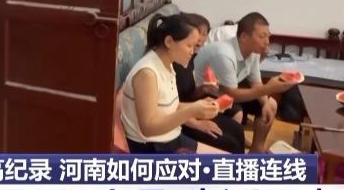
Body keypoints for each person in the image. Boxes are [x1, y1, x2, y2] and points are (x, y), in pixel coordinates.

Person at [193, 12, 297, 153]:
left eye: (268, 36)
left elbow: (256, 83)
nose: (267, 42)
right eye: (262, 36)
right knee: (238, 119)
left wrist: (266, 103)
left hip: (226, 90)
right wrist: (269, 88)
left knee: (270, 105)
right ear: (243, 37)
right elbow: (232, 95)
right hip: (202, 94)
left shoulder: (253, 53)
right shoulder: (224, 54)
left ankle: (257, 150)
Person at [120, 13, 222, 153]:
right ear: (169, 42)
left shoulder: (167, 64)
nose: (192, 52)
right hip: (153, 147)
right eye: (189, 45)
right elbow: (148, 128)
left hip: (171, 137)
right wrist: (191, 111)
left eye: (195, 46)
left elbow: (170, 106)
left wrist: (199, 105)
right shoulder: (147, 74)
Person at [175, 13, 246, 154]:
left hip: (193, 110)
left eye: (205, 34)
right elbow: (170, 107)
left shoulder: (190, 58)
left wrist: (203, 89)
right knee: (230, 143)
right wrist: (198, 123)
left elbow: (189, 94)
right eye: (198, 33)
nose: (201, 39)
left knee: (237, 130)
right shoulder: (171, 63)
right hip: (181, 120)